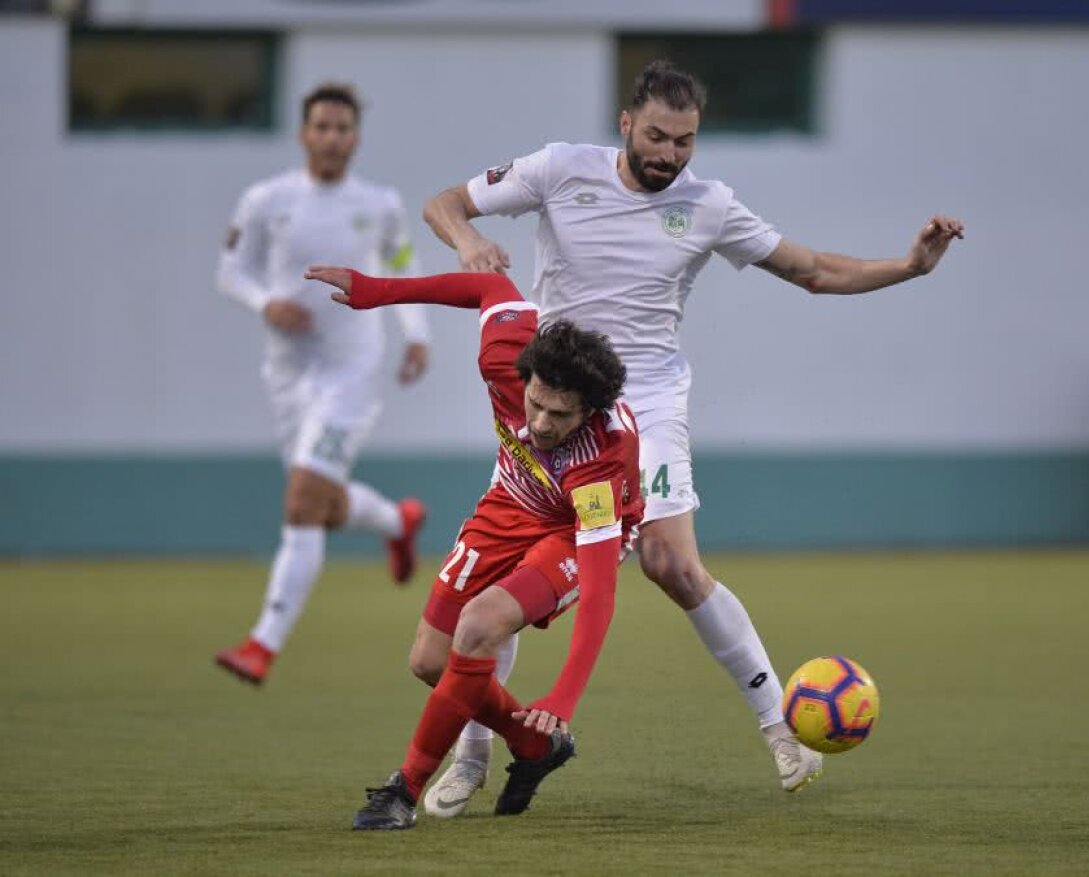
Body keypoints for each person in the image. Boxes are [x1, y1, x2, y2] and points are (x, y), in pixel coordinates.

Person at [421, 60, 965, 805]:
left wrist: (909, 266)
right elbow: (445, 202)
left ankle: (781, 730)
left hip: (645, 401)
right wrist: (465, 241)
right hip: (554, 399)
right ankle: (475, 754)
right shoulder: (558, 169)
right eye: (656, 136)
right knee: (500, 574)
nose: (669, 154)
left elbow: (811, 270)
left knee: (671, 564)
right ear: (625, 123)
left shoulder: (709, 205)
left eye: (684, 141)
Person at [303, 265, 642, 831]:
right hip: (510, 501)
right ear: (526, 376)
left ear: (588, 411)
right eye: (535, 403)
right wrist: (380, 292)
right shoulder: (504, 356)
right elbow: (487, 288)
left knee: (480, 627)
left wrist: (563, 697)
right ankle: (532, 747)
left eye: (560, 415)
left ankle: (402, 791)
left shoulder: (602, 461)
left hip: (570, 530)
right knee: (430, 662)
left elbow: (601, 591)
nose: (539, 422)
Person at [213, 83, 432, 685]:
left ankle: (263, 642)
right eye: (322, 127)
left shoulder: (380, 203)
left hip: (351, 372)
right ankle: (397, 521)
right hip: (287, 374)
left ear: (355, 137)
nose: (333, 138)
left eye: (343, 128)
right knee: (321, 504)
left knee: (303, 503)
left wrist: (417, 333)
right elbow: (229, 270)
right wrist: (267, 304)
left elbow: (401, 264)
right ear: (303, 134)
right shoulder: (267, 199)